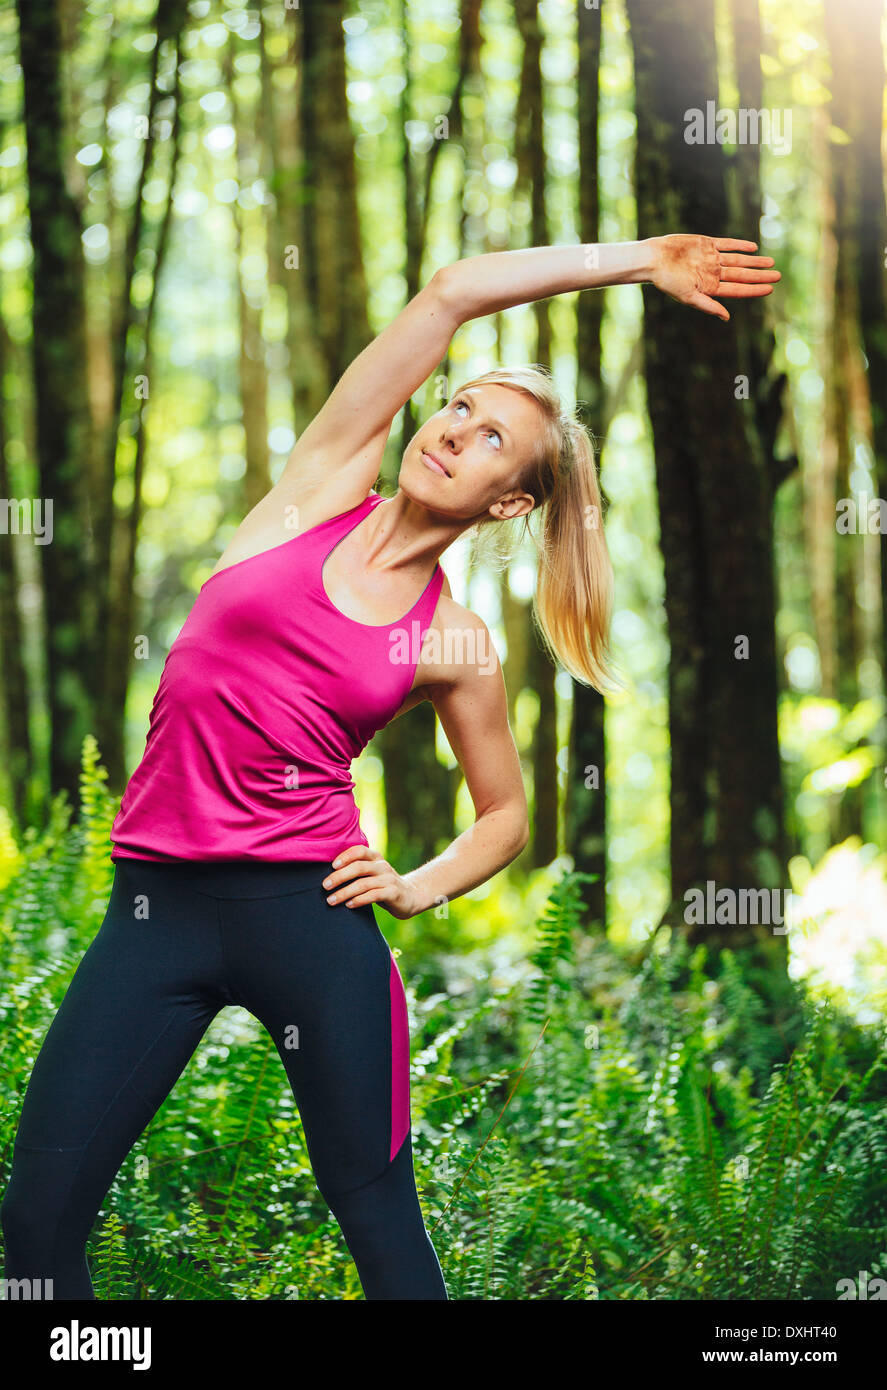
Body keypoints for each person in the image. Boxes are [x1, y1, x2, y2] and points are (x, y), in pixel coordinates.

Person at [0, 234, 779, 1301]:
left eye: (490, 436)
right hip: (153, 914)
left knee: (379, 1228)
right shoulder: (316, 488)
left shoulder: (452, 640)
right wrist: (640, 259)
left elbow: (506, 814)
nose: (453, 430)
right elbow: (451, 291)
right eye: (458, 406)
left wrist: (414, 884)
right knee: (37, 1225)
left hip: (307, 924)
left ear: (510, 502)